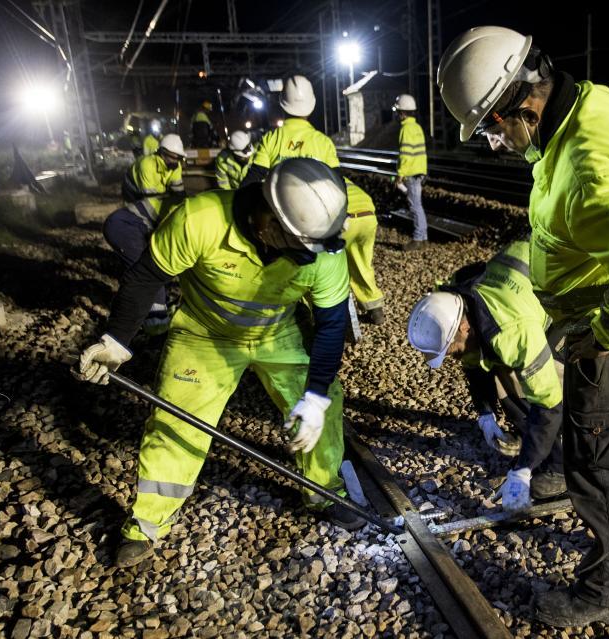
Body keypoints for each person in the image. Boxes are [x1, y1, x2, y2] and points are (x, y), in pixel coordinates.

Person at [439, 26, 609, 627]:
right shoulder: (593, 104)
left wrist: (606, 334)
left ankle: (606, 592)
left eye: (495, 128)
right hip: (607, 309)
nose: (497, 141)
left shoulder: (590, 172)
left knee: (594, 461)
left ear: (523, 103)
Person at [75, 158, 361, 567]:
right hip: (204, 336)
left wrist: (314, 397)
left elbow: (331, 325)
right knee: (175, 421)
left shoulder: (323, 251)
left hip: (276, 333)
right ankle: (147, 524)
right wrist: (116, 340)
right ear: (269, 222)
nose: (308, 258)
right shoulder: (200, 219)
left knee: (326, 403)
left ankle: (324, 491)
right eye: (302, 249)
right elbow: (145, 276)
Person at [406, 241, 566, 507]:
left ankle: (561, 467)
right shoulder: (457, 296)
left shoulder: (512, 332)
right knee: (498, 369)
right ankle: (534, 440)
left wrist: (524, 469)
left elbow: (548, 403)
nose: (452, 358)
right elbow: (472, 361)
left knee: (540, 384)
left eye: (452, 350)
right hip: (533, 277)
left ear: (465, 326)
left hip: (568, 297)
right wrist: (485, 414)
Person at [112, 133, 187, 331]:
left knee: (151, 247)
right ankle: (151, 316)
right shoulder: (146, 165)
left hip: (155, 203)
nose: (176, 161)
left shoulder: (176, 166)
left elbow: (179, 194)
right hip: (134, 194)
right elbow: (151, 200)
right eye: (172, 157)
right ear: (162, 153)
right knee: (146, 257)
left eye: (178, 158)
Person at [244, 76, 338, 185]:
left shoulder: (269, 140)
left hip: (276, 201)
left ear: (282, 104)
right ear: (312, 106)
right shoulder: (324, 143)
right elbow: (337, 181)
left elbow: (253, 178)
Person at [342, 178, 385, 324]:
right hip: (368, 217)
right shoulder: (337, 175)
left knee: (329, 264)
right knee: (362, 263)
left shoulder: (307, 177)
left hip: (346, 219)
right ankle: (375, 309)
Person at [392, 94, 429, 251]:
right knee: (418, 206)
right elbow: (420, 153)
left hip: (411, 173)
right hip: (419, 171)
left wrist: (400, 175)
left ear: (402, 113)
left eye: (398, 111)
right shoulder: (417, 128)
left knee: (415, 207)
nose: (397, 114)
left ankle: (418, 239)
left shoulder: (405, 129)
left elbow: (405, 155)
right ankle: (424, 239)